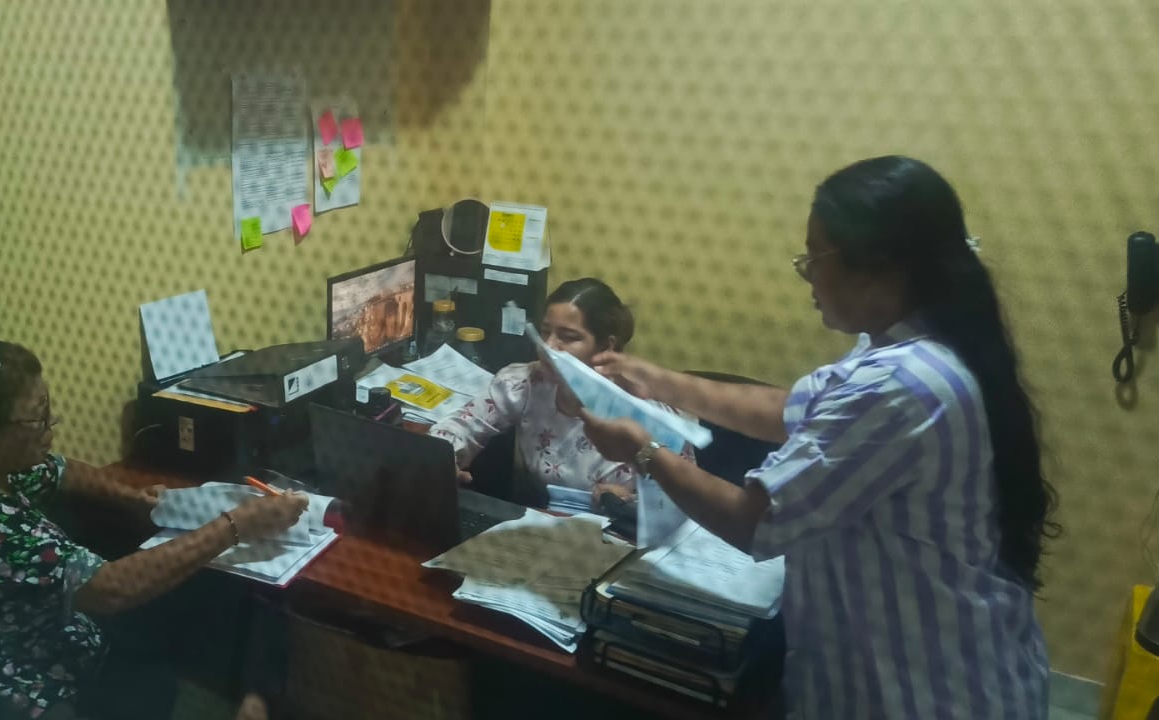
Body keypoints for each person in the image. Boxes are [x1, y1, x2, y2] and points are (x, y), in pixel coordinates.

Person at [576, 156, 1057, 719]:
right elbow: (790, 411)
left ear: (877, 268)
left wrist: (643, 450)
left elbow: (755, 522)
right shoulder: (905, 345)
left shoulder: (899, 386)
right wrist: (655, 379)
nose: (805, 274)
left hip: (924, 691)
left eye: (814, 258)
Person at [0, 338, 308, 720]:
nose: (51, 426)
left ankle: (254, 700)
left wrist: (132, 498)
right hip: (16, 677)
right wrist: (236, 525)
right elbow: (109, 589)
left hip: (63, 625)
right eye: (38, 418)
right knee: (152, 681)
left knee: (227, 579)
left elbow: (63, 471)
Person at [430, 278, 681, 513]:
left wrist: (632, 502)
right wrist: (444, 462)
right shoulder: (526, 383)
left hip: (618, 534)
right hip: (542, 526)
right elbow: (459, 426)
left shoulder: (647, 410)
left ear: (607, 346)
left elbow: (684, 498)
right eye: (545, 332)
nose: (548, 347)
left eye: (568, 338)